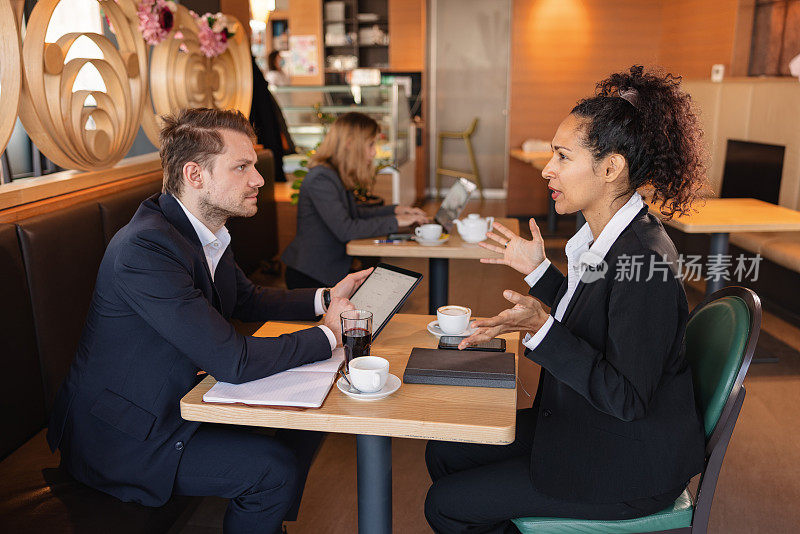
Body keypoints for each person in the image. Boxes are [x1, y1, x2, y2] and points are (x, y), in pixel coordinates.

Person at [46, 108, 370, 534]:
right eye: (243, 167)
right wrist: (330, 334)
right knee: (273, 471)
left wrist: (327, 297)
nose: (258, 179)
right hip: (125, 434)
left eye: (254, 165)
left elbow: (248, 299)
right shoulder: (145, 249)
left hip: (177, 399)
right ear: (194, 175)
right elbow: (233, 361)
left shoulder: (201, 229)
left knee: (305, 424)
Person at [424, 66, 707, 533]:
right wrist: (538, 270)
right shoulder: (609, 238)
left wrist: (542, 329)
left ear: (611, 168)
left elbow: (627, 399)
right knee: (444, 450)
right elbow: (592, 316)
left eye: (562, 156)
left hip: (627, 462)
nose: (546, 169)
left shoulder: (645, 263)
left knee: (446, 505)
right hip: (591, 426)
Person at [282, 112, 429, 289]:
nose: (374, 152)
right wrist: (396, 222)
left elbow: (354, 213)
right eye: (370, 144)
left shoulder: (333, 174)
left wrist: (395, 211)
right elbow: (346, 229)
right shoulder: (321, 179)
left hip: (325, 270)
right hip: (311, 276)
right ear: (350, 144)